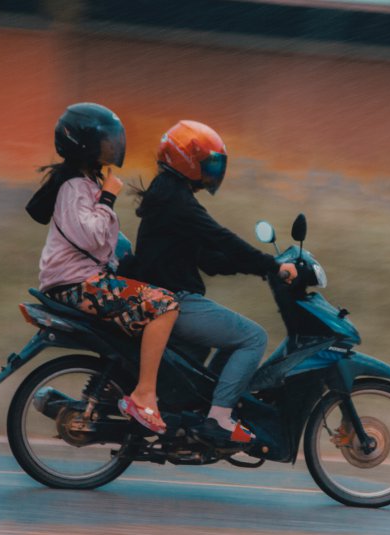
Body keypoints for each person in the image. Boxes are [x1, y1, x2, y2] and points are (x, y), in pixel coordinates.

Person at [124, 120, 297, 444]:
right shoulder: (177, 200)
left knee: (230, 336)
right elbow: (221, 237)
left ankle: (197, 407)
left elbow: (209, 259)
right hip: (173, 300)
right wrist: (272, 265)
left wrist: (256, 268)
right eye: (209, 163)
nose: (214, 171)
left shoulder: (169, 195)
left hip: (166, 294)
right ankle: (218, 419)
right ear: (187, 160)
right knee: (253, 338)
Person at [27, 102, 179, 435]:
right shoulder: (73, 187)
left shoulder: (81, 182)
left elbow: (103, 242)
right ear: (83, 144)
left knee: (143, 305)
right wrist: (108, 197)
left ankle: (113, 391)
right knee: (164, 305)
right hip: (76, 284)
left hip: (81, 279)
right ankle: (144, 395)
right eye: (105, 140)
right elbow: (93, 237)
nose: (113, 146)